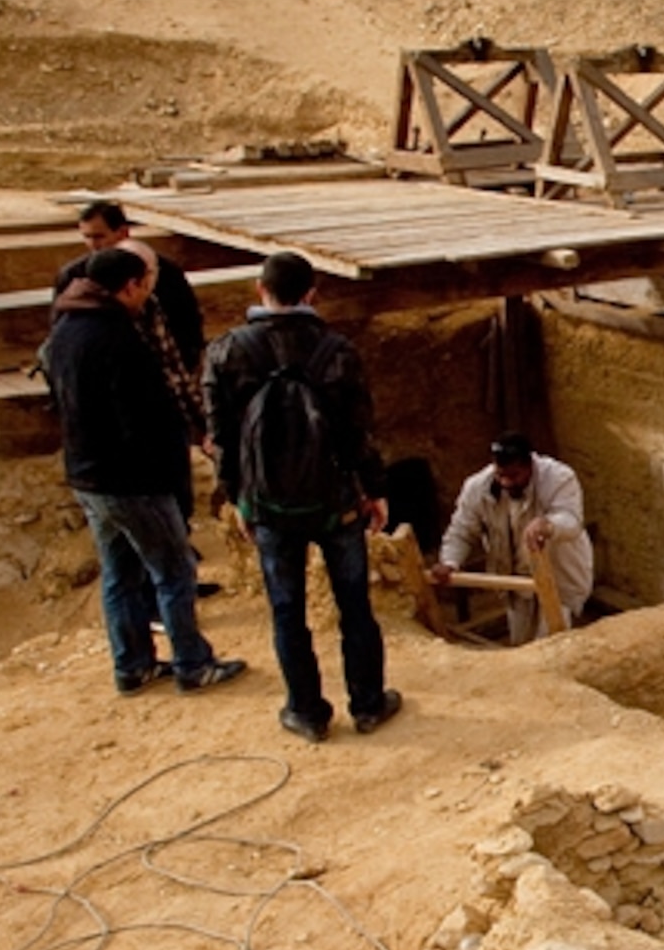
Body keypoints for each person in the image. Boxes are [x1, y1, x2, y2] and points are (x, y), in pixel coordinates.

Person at [204, 252, 399, 742]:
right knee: (355, 607)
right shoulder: (336, 351)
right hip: (336, 504)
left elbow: (221, 438)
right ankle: (369, 705)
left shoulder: (227, 352)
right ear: (313, 293)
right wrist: (374, 491)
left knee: (286, 612)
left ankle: (307, 713)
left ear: (258, 289)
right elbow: (359, 433)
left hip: (270, 507)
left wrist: (239, 501)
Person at [38, 249, 244, 697]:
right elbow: (142, 418)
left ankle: (132, 665)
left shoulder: (65, 330)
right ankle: (194, 663)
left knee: (119, 575)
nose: (149, 291)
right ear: (130, 286)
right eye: (146, 283)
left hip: (87, 475)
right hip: (133, 481)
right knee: (173, 572)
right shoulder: (118, 339)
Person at [433, 434, 593, 641]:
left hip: (558, 575)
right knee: (521, 643)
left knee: (552, 642)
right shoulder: (477, 488)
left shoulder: (559, 478)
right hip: (516, 580)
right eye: (501, 476)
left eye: (515, 475)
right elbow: (462, 530)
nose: (507, 482)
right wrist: (450, 562)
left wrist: (548, 525)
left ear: (529, 466)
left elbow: (571, 520)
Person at [76, 201, 207, 449]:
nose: (93, 245)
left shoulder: (165, 274)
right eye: (87, 237)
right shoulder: (77, 277)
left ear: (122, 233)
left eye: (99, 236)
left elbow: (188, 323)